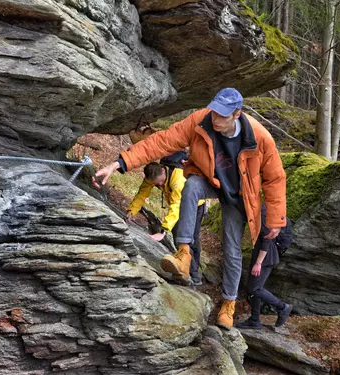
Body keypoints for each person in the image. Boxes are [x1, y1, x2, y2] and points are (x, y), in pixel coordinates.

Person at [93, 88, 287, 329]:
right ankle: (183, 253)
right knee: (191, 185)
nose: (215, 118)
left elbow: (275, 178)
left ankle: (228, 303)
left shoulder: (259, 137)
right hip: (211, 181)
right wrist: (119, 163)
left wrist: (277, 220)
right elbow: (161, 141)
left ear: (237, 114)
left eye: (222, 115)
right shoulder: (200, 122)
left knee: (232, 248)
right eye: (214, 112)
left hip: (239, 195)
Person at [126, 158, 206, 286]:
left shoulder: (178, 179)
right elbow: (142, 193)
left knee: (188, 238)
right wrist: (132, 210)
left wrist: (164, 229)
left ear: (163, 170)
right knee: (178, 238)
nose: (161, 185)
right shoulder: (153, 175)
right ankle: (185, 269)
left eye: (162, 182)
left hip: (195, 205)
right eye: (157, 184)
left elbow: (176, 206)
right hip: (178, 205)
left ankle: (194, 276)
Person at [235, 205, 293, 329]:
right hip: (259, 253)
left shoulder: (262, 214)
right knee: (253, 288)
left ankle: (282, 307)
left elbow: (266, 240)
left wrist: (258, 263)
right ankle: (254, 320)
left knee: (254, 288)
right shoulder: (260, 211)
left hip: (266, 256)